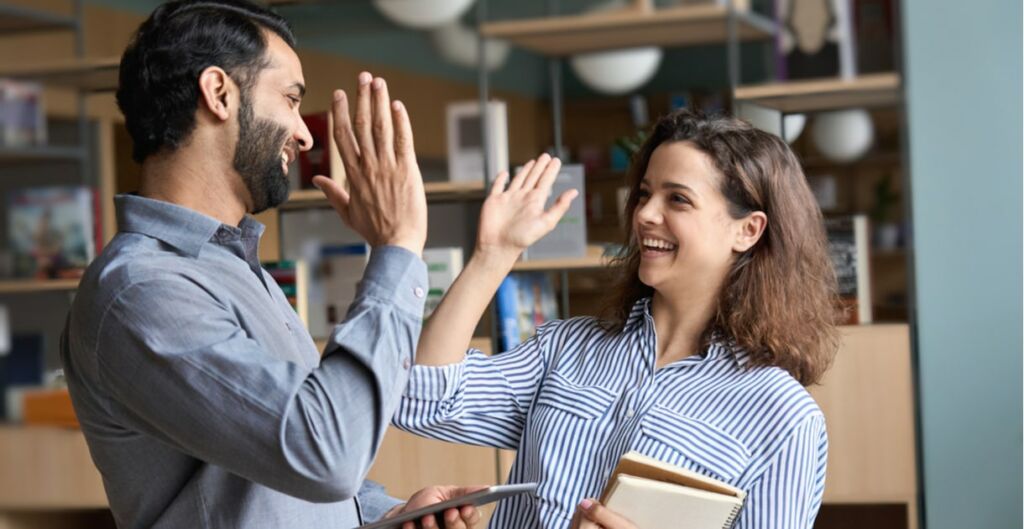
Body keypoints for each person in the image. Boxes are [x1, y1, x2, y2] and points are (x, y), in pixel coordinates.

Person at [60, 1, 483, 527]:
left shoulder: (235, 268)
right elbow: (324, 453)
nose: (305, 134)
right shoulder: (141, 291)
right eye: (290, 99)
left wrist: (387, 514)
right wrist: (398, 247)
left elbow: (275, 473)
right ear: (219, 94)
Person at [392, 110, 841, 528]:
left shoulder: (783, 418)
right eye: (645, 194)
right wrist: (492, 256)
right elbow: (419, 399)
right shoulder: (566, 348)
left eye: (678, 200)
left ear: (748, 230)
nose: (644, 214)